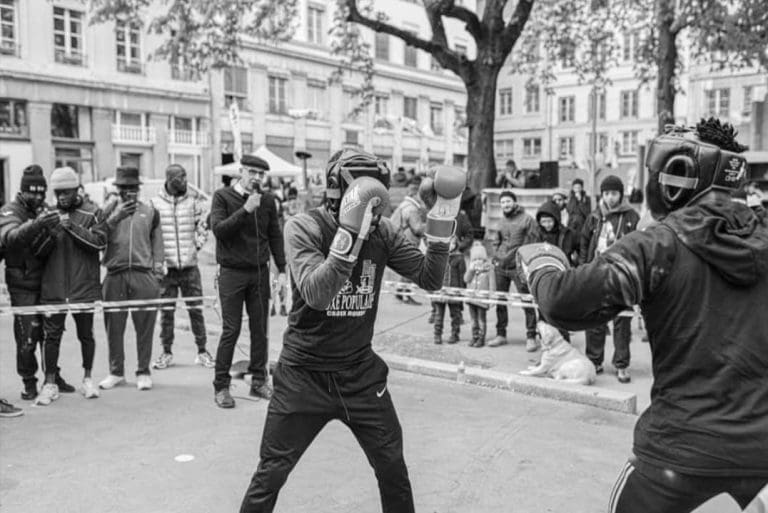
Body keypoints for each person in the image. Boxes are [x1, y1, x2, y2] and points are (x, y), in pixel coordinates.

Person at [518, 118, 768, 513]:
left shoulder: (659, 246)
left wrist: (541, 262)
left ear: (676, 174)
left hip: (680, 447)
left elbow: (563, 304)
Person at [238, 151, 460, 513]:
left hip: (359, 374)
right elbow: (317, 294)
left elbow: (431, 278)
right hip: (303, 375)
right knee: (271, 474)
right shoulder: (304, 227)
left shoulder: (382, 231)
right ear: (338, 192)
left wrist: (441, 216)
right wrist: (351, 235)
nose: (374, 211)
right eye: (366, 199)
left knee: (392, 468)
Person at [210, 154, 286, 407]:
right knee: (231, 330)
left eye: (261, 174)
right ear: (241, 171)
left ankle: (259, 381)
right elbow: (219, 231)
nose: (256, 177)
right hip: (231, 272)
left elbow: (274, 235)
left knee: (260, 330)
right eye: (252, 172)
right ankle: (221, 386)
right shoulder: (223, 197)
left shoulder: (268, 200)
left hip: (259, 272)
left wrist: (282, 270)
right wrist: (245, 210)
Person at [0, 165, 75, 401]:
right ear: (22, 191)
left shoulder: (43, 209)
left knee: (51, 333)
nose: (38, 197)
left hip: (47, 282)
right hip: (22, 284)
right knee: (28, 337)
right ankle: (29, 381)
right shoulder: (9, 211)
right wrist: (38, 224)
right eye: (32, 192)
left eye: (42, 193)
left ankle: (52, 376)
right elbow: (10, 238)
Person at [37, 167, 107, 405]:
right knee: (51, 337)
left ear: (77, 189)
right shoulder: (48, 214)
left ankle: (88, 379)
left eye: (66, 192)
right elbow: (38, 253)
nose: (62, 197)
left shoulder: (93, 213)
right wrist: (48, 232)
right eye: (58, 193)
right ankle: (49, 383)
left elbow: (100, 243)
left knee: (86, 335)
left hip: (83, 287)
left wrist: (72, 228)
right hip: (54, 288)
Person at [98, 166, 164, 392]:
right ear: (117, 190)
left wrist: (157, 270)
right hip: (114, 273)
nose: (128, 192)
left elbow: (157, 243)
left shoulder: (150, 212)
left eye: (133, 188)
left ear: (138, 189)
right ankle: (116, 372)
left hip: (142, 273)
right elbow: (97, 236)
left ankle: (143, 371)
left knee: (145, 326)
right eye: (124, 188)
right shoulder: (107, 212)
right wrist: (114, 216)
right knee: (114, 327)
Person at [150, 164, 214, 371]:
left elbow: (202, 228)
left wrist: (195, 247)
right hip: (166, 270)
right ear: (170, 180)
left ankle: (202, 351)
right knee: (166, 313)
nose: (186, 181)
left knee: (196, 311)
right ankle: (166, 352)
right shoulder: (154, 204)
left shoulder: (193, 203)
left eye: (186, 176)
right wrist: (157, 259)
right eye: (181, 177)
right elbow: (150, 235)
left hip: (190, 267)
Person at [579, 175, 639, 382]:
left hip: (622, 276)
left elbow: (639, 245)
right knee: (595, 319)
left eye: (614, 193)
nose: (610, 197)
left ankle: (621, 364)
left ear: (621, 194)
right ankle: (594, 360)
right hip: (596, 274)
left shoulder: (631, 216)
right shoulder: (595, 216)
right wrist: (584, 267)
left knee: (622, 321)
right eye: (606, 193)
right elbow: (584, 241)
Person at [489, 190, 539, 350]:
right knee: (500, 302)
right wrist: (496, 257)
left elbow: (533, 241)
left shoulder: (527, 219)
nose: (505, 205)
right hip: (501, 267)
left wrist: (521, 259)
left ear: (514, 202)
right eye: (503, 202)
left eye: (508, 201)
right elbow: (496, 241)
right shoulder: (501, 222)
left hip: (518, 267)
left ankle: (531, 336)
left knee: (527, 301)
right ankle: (500, 334)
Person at [389, 176, 426, 305]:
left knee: (408, 268)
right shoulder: (412, 209)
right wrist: (430, 226)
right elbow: (417, 229)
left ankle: (401, 292)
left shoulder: (404, 205)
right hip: (407, 242)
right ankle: (405, 295)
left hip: (399, 241)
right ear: (415, 194)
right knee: (412, 268)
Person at [432, 236, 466, 345]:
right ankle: (437, 335)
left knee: (455, 315)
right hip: (440, 290)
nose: (450, 245)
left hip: (454, 291)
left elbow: (462, 277)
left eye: (453, 243)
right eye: (448, 243)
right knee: (438, 315)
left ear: (456, 244)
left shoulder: (459, 258)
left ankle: (455, 334)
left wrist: (462, 293)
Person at [463, 242, 494, 347]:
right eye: (475, 259)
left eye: (480, 259)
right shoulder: (471, 270)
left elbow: (492, 285)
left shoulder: (489, 270)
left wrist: (492, 299)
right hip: (471, 299)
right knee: (473, 320)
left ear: (484, 259)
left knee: (481, 319)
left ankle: (481, 338)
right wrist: (470, 270)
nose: (477, 262)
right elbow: (466, 279)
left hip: (482, 300)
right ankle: (474, 336)